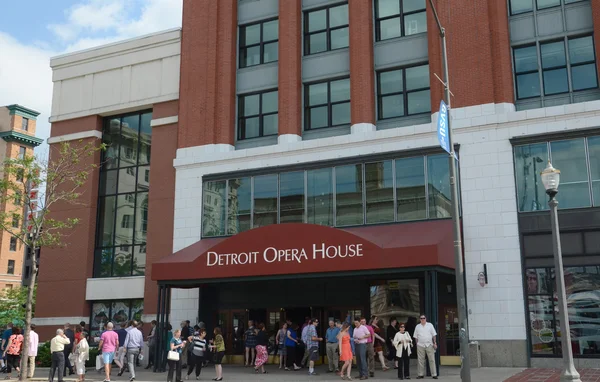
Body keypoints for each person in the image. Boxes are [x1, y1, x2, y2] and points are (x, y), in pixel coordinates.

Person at [413, 314, 437, 380]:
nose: (422, 319)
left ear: (426, 319)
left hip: (429, 344)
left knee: (432, 360)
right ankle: (420, 374)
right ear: (420, 319)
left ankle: (434, 374)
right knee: (420, 360)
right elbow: (416, 336)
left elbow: (434, 335)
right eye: (421, 318)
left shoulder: (430, 325)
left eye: (423, 318)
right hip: (420, 345)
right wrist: (417, 344)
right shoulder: (417, 326)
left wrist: (435, 343)